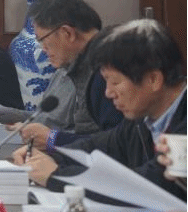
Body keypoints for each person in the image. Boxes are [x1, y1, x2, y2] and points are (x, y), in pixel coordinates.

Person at [13, 19, 187, 202]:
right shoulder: (142, 120)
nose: (108, 93)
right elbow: (97, 147)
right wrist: (48, 159)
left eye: (115, 82)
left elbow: (152, 184)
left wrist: (56, 176)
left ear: (153, 79)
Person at [13, 0, 122, 151]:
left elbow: (117, 144)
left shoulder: (106, 68)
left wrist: (53, 140)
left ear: (67, 33)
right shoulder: (84, 61)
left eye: (43, 40)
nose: (43, 49)